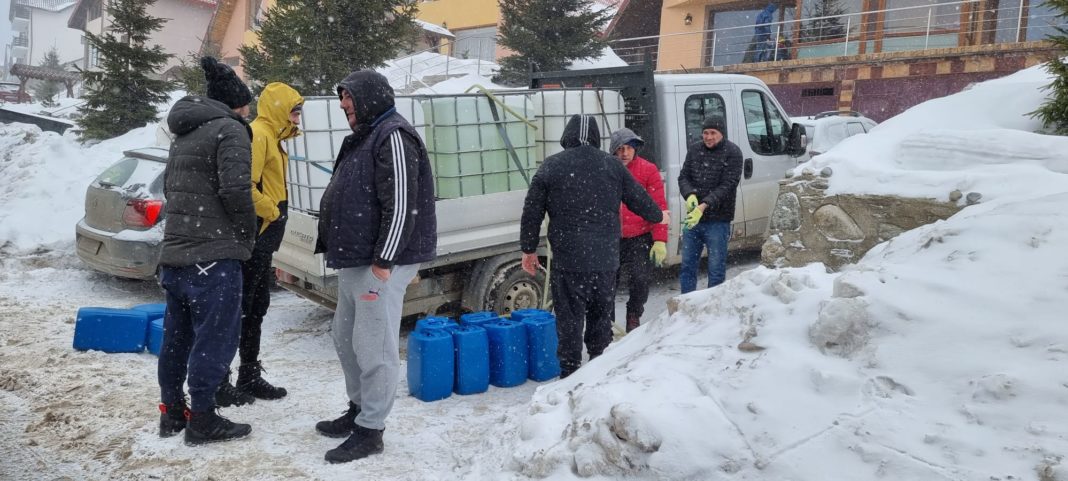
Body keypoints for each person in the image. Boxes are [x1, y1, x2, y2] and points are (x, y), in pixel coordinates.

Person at [313, 70, 437, 463]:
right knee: (345, 335)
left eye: (348, 97)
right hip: (358, 256)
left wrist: (386, 260)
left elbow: (402, 202)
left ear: (368, 97)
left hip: (381, 260)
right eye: (341, 98)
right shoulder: (368, 135)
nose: (343, 105)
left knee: (373, 343)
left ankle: (371, 430)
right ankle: (358, 409)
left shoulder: (394, 135)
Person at [155, 56, 257, 445]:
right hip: (212, 256)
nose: (249, 109)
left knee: (177, 338)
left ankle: (172, 413)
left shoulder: (185, 131)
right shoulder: (230, 130)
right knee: (214, 337)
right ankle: (202, 419)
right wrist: (245, 236)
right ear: (237, 104)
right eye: (247, 102)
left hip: (176, 255)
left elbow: (168, 189)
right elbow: (235, 190)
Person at [520, 115, 666, 379]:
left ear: (566, 137)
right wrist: (658, 216)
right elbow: (639, 199)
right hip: (604, 259)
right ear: (598, 139)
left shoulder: (552, 166)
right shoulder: (612, 166)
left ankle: (570, 370)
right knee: (601, 314)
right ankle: (599, 364)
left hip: (568, 259)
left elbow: (532, 211)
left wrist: (528, 249)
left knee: (569, 318)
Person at [214, 82, 304, 407]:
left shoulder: (275, 137)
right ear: (280, 109)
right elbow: (245, 187)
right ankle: (220, 381)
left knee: (256, 308)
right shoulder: (260, 135)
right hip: (254, 237)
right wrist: (273, 212)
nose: (297, 118)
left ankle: (249, 375)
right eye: (294, 111)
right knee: (239, 311)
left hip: (265, 241)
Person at [609, 128, 668, 333]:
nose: (625, 153)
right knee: (607, 283)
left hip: (639, 236)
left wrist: (660, 239)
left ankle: (634, 314)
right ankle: (608, 323)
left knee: (640, 279)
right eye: (620, 149)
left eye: (629, 148)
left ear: (636, 149)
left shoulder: (648, 170)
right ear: (613, 151)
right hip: (611, 237)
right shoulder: (607, 170)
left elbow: (659, 206)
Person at [677, 117, 743, 294]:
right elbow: (683, 177)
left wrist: (704, 205)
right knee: (687, 267)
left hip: (718, 221)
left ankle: (712, 310)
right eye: (705, 133)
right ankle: (685, 305)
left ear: (722, 133)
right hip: (693, 220)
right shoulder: (694, 150)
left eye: (713, 133)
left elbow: (728, 185)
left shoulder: (733, 152)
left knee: (715, 270)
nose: (708, 137)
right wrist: (689, 194)